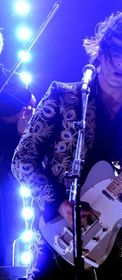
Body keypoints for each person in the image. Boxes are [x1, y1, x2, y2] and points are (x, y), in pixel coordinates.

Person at [12, 6, 122, 280]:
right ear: (100, 54)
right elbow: (22, 160)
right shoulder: (63, 96)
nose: (119, 63)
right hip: (56, 236)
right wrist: (58, 201)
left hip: (110, 245)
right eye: (113, 53)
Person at [0, 29, 36, 265]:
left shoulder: (11, 80)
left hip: (3, 170)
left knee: (5, 233)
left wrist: (23, 127)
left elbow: (28, 103)